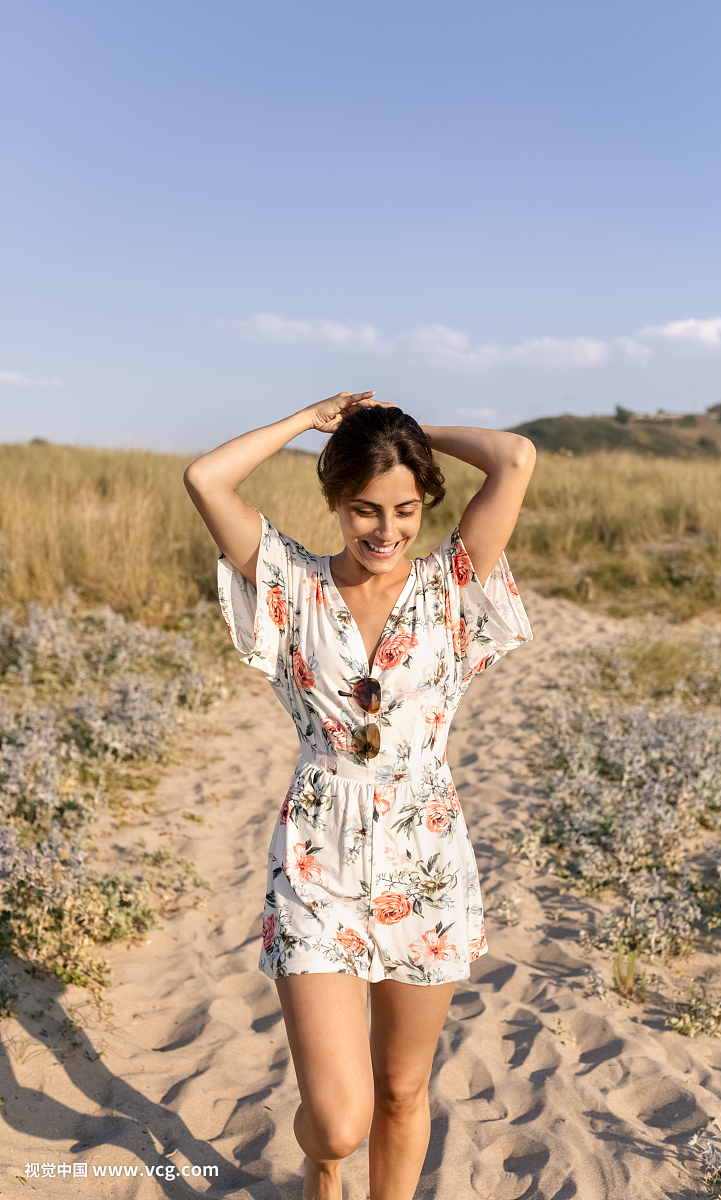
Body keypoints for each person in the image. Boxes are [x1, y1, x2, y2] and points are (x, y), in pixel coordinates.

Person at [183, 391, 535, 1200]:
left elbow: (514, 456)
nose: (385, 531)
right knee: (340, 1120)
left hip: (427, 861)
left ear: (426, 505)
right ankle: (323, 1161)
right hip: (317, 857)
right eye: (364, 510)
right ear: (336, 502)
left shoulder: (452, 584)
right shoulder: (291, 584)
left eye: (406, 510)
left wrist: (408, 431)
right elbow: (207, 478)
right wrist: (312, 421)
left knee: (403, 1091)